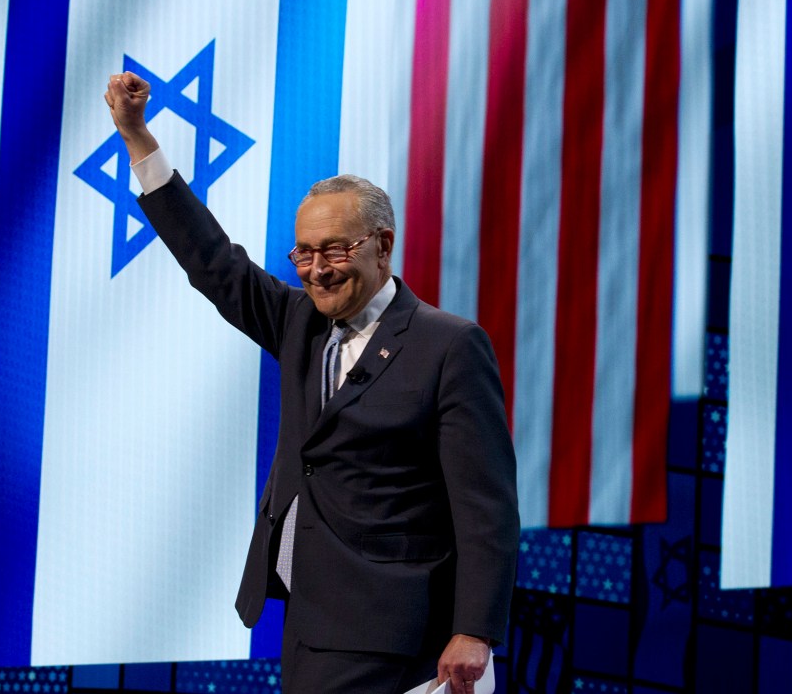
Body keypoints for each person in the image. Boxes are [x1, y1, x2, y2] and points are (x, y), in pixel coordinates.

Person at [105, 71, 519, 694]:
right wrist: (138, 139)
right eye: (304, 253)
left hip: (398, 633)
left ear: (383, 245)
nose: (317, 271)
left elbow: (486, 505)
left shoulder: (448, 345)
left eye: (334, 250)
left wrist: (476, 629)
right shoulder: (299, 320)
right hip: (309, 622)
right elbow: (213, 261)